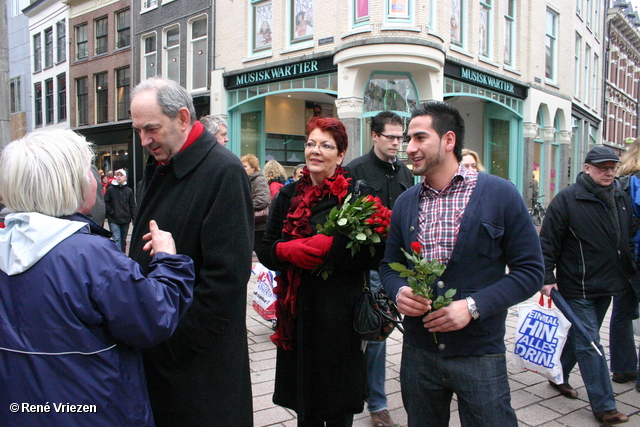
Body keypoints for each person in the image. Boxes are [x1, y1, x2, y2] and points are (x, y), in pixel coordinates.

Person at [0, 128, 195, 427]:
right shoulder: (92, 258)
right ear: (70, 185)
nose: (94, 179)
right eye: (88, 171)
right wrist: (169, 261)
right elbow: (153, 319)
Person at [380, 101, 544, 427]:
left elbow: (531, 272)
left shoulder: (500, 194)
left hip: (479, 353)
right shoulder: (405, 202)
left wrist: (472, 306)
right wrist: (399, 292)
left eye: (419, 138)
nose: (408, 148)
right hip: (419, 353)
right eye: (408, 139)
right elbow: (389, 265)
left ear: (449, 140)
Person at [128, 77, 254, 426]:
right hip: (163, 350)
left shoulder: (223, 172)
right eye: (138, 130)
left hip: (195, 364)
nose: (144, 140)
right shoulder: (161, 165)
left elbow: (226, 281)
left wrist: (173, 343)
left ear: (183, 117)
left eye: (151, 128)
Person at [257, 116, 383, 426]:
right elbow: (265, 249)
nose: (316, 150)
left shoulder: (357, 194)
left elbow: (375, 253)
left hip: (339, 316)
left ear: (340, 155)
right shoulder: (287, 196)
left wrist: (330, 250)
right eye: (311, 143)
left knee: (338, 407)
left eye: (326, 145)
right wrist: (287, 251)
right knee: (306, 407)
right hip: (298, 316)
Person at [540, 145, 636, 425]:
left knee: (581, 337)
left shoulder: (619, 195)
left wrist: (627, 263)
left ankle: (558, 374)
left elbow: (626, 233)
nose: (609, 172)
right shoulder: (567, 199)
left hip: (609, 283)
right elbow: (547, 243)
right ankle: (605, 407)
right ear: (587, 168)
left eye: (612, 167)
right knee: (591, 343)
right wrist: (546, 278)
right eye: (602, 167)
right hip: (576, 285)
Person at [346, 111, 413, 427]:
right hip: (368, 268)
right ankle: (377, 403)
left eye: (401, 137)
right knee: (374, 336)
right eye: (391, 137)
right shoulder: (355, 171)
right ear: (375, 136)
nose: (397, 143)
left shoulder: (405, 172)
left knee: (390, 333)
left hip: (400, 266)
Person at [614, 138, 640, 390]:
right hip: (637, 256)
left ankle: (623, 368)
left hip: (622, 257)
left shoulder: (621, 182)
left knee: (621, 312)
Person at [241, 154, 271, 251]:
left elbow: (263, 200)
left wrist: (243, 206)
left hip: (259, 226)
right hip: (251, 223)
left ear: (253, 168)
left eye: (245, 166)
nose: (242, 169)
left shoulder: (258, 180)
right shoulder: (246, 180)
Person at [104, 168, 136, 252]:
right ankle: (119, 258)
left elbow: (132, 205)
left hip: (125, 219)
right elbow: (106, 202)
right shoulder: (110, 189)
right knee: (116, 239)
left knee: (123, 240)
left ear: (125, 177)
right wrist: (111, 212)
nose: (119, 177)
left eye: (121, 175)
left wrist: (134, 218)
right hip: (114, 218)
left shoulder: (129, 191)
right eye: (117, 175)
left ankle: (123, 256)